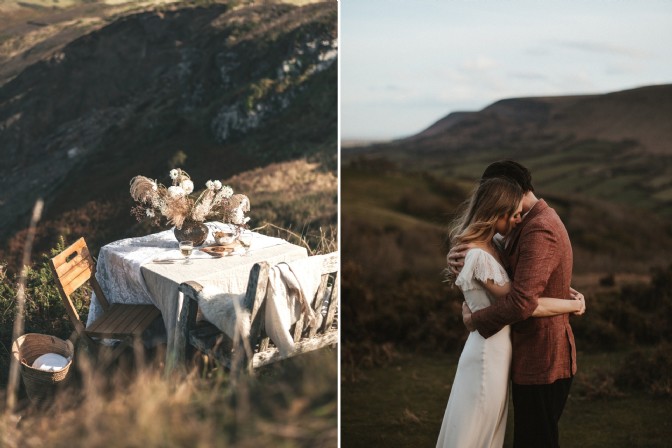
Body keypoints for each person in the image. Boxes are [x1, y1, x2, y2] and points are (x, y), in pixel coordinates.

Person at [436, 176, 585, 448]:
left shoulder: (496, 244)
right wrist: (573, 304)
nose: (519, 220)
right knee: (479, 427)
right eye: (515, 215)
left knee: (490, 427)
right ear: (497, 212)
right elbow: (522, 302)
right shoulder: (482, 253)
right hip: (488, 351)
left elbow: (525, 280)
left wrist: (567, 292)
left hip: (501, 349)